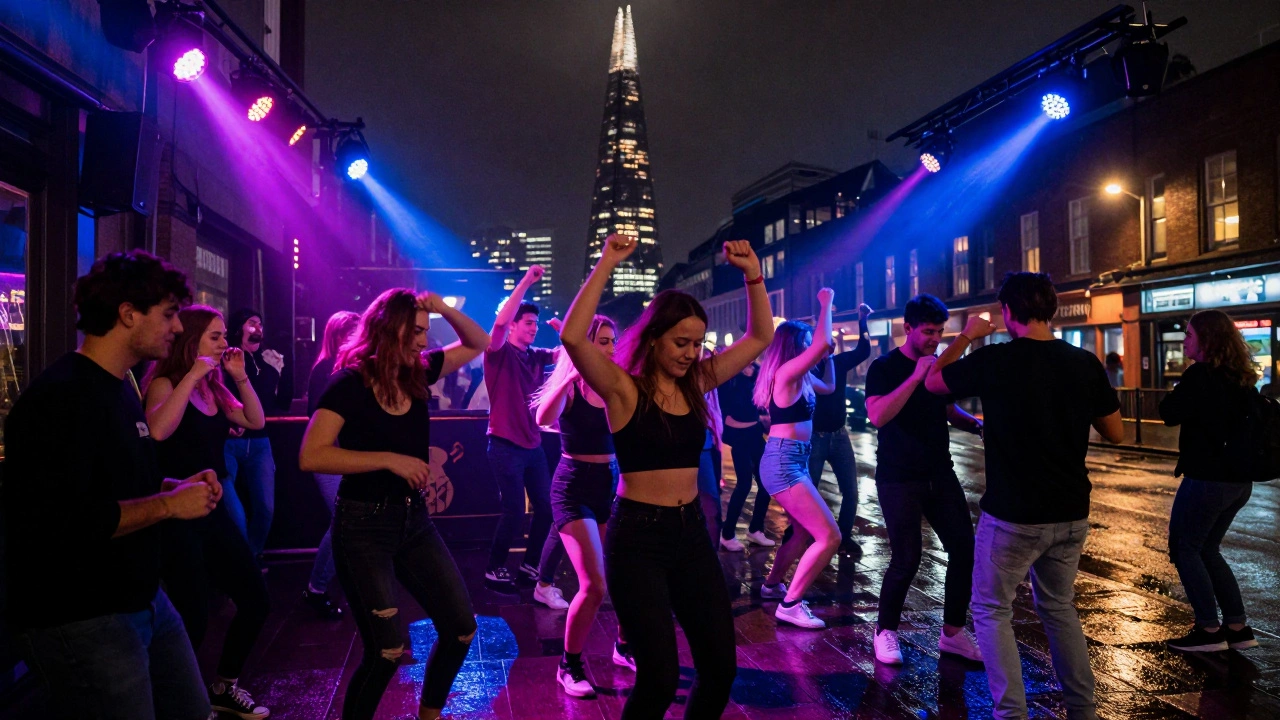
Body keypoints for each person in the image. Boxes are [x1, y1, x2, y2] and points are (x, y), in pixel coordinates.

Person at [561, 235, 773, 719]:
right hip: (638, 539)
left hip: (691, 534)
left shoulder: (697, 382)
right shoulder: (622, 388)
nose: (691, 353)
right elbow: (573, 338)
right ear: (654, 337)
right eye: (681, 343)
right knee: (658, 680)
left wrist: (753, 275)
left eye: (697, 344)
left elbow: (760, 337)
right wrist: (607, 262)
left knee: (720, 669)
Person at [3, 250, 220, 720]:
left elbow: (116, 481)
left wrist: (173, 486)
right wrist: (168, 505)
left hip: (142, 598)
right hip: (82, 616)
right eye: (168, 314)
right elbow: (63, 521)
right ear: (128, 314)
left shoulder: (120, 385)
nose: (178, 327)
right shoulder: (61, 398)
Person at [925, 272, 1123, 720]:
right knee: (1059, 607)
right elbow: (1115, 431)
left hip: (1013, 513)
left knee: (991, 609)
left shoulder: (996, 359)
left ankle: (1012, 713)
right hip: (1070, 511)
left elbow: (934, 383)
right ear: (1051, 309)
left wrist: (966, 336)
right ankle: (1083, 710)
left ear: (1008, 311)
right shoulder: (1084, 362)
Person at [299, 288, 489, 720]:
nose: (424, 341)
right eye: (416, 332)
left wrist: (440, 308)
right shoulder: (350, 383)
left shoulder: (418, 371)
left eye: (425, 331)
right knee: (386, 651)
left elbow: (480, 342)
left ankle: (429, 715)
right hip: (362, 526)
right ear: (389, 329)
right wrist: (389, 459)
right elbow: (311, 455)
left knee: (461, 628)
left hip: (414, 521)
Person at [144, 305, 272, 719]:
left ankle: (223, 686)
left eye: (224, 336)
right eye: (215, 337)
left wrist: (239, 376)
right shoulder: (165, 383)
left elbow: (255, 420)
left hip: (212, 509)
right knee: (193, 614)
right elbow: (158, 430)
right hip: (176, 511)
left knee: (255, 598)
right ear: (191, 340)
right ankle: (171, 702)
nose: (224, 343)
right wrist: (193, 375)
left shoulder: (214, 388)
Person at [863, 294, 983, 666]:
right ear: (908, 328)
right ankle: (885, 631)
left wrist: (976, 425)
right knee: (907, 558)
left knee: (964, 548)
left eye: (939, 331)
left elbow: (948, 409)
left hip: (940, 473)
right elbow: (878, 415)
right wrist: (916, 377)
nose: (935, 338)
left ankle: (953, 632)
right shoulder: (884, 367)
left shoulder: (939, 364)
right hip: (898, 478)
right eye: (928, 331)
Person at [529, 314, 636, 697]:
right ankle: (569, 665)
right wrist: (572, 372)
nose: (611, 349)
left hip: (610, 483)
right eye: (602, 342)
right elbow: (542, 418)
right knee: (593, 585)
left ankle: (624, 647)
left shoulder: (614, 384)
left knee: (625, 576)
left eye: (612, 341)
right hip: (573, 487)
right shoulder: (572, 386)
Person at [1159, 310, 1261, 653]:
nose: (1184, 341)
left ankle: (1209, 629)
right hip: (1239, 482)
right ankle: (1237, 627)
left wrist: (1183, 386)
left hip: (1207, 479)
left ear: (1207, 340)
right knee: (1208, 548)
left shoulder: (1199, 375)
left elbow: (1168, 412)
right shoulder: (1241, 377)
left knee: (1185, 548)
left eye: (1189, 335)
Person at [755, 289, 842, 630]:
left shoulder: (802, 376)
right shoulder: (786, 372)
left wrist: (829, 356)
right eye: (806, 343)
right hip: (783, 462)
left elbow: (830, 387)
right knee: (830, 536)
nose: (811, 348)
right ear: (794, 346)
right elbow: (821, 343)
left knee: (804, 530)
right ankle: (790, 604)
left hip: (794, 459)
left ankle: (772, 584)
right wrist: (826, 304)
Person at [483, 265, 558, 591]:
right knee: (513, 510)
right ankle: (494, 568)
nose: (534, 328)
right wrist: (526, 281)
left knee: (546, 508)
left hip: (533, 446)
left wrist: (567, 331)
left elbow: (567, 354)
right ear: (513, 325)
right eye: (528, 323)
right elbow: (499, 324)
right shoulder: (498, 353)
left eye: (536, 324)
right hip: (504, 444)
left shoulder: (537, 356)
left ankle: (529, 565)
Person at [303, 310, 361, 619]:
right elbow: (317, 417)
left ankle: (344, 581)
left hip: (350, 457)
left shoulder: (355, 366)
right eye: (350, 332)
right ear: (336, 336)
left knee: (351, 520)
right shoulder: (325, 368)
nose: (357, 336)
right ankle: (316, 588)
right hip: (330, 457)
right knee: (344, 521)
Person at [224, 308, 292, 560]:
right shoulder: (227, 358)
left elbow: (282, 402)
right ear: (239, 327)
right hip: (228, 441)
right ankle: (238, 564)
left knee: (266, 508)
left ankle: (251, 557)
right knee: (234, 512)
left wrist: (285, 366)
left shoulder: (267, 361)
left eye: (260, 324)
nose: (258, 328)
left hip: (260, 441)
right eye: (252, 323)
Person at [810, 302, 873, 553]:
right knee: (809, 492)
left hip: (839, 435)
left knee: (851, 491)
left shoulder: (838, 363)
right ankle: (808, 536)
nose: (831, 346)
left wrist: (863, 320)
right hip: (814, 438)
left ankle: (844, 537)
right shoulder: (806, 367)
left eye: (832, 343)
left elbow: (864, 349)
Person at [718, 359, 773, 551]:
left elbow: (761, 405)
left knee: (767, 483)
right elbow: (728, 414)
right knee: (744, 484)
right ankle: (727, 535)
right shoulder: (730, 375)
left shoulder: (758, 373)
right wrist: (755, 419)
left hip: (755, 435)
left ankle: (756, 530)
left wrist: (762, 418)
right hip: (739, 437)